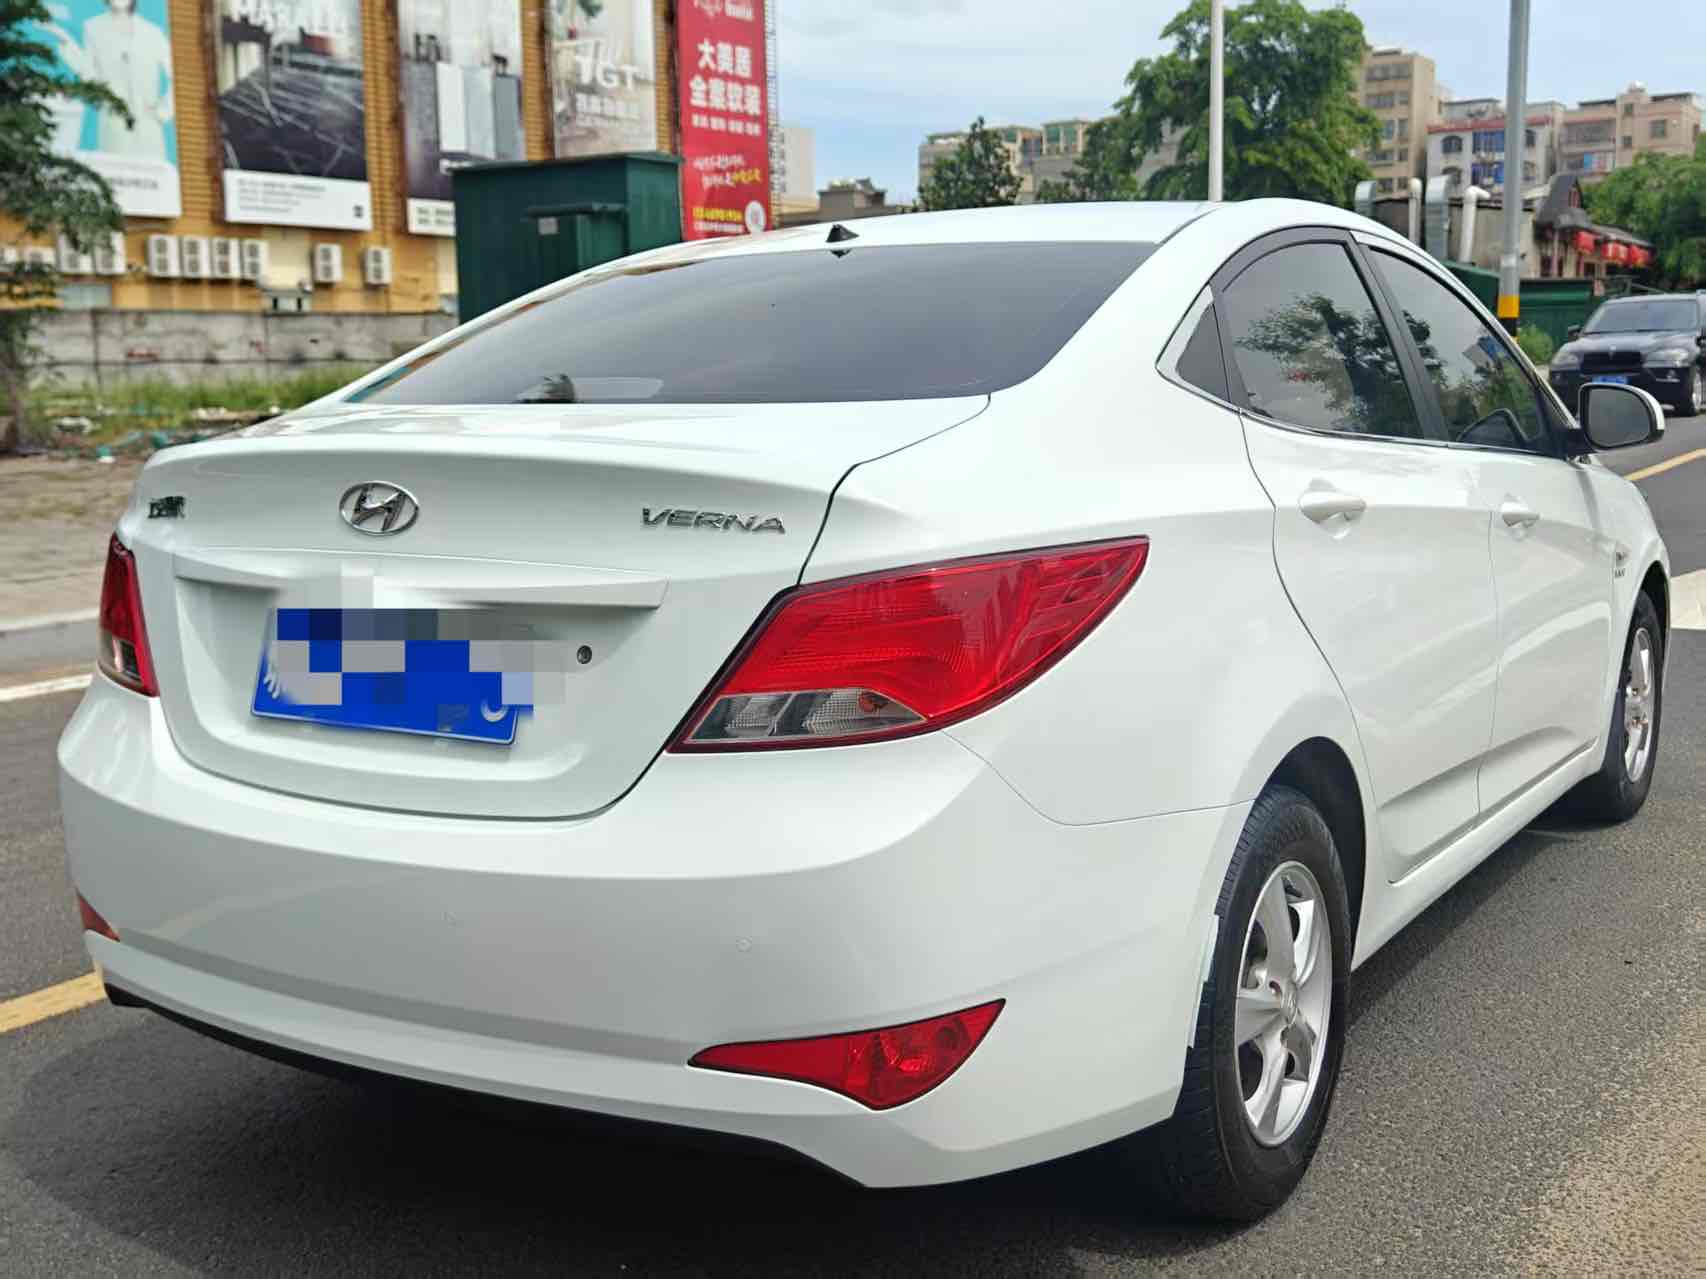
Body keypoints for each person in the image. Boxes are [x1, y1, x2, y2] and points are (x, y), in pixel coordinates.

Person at [44, 0, 175, 160]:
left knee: (153, 176)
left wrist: (163, 110)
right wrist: (66, 42)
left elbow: (176, 76)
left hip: (148, 126)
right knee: (115, 175)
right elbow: (90, 74)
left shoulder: (153, 32)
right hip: (114, 122)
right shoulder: (93, 27)